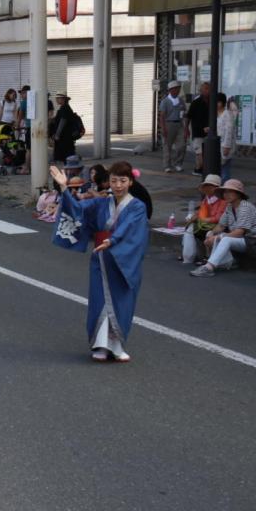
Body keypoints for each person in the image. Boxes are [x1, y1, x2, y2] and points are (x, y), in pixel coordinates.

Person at [49, 161, 149, 362]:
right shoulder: (101, 202)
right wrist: (63, 187)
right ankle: (100, 344)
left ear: (130, 182)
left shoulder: (137, 207)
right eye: (114, 180)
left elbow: (129, 228)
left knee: (122, 302)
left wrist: (112, 240)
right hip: (101, 259)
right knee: (99, 301)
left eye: (122, 180)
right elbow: (78, 209)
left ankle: (117, 344)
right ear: (108, 182)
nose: (118, 185)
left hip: (123, 260)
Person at [191, 179, 256, 276]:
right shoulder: (229, 206)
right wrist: (211, 234)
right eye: (225, 192)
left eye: (230, 191)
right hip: (239, 239)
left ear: (238, 194)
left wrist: (217, 237)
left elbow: (239, 232)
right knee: (213, 234)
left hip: (251, 242)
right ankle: (219, 262)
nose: (226, 194)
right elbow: (221, 225)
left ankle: (209, 268)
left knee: (225, 239)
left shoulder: (245, 207)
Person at [180, 174, 225, 264]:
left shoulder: (222, 201)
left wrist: (203, 219)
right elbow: (201, 212)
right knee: (190, 227)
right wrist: (194, 217)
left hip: (218, 225)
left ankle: (207, 258)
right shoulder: (206, 199)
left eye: (209, 186)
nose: (207, 188)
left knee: (207, 232)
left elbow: (218, 218)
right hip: (206, 224)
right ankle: (188, 255)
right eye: (206, 186)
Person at [158, 81, 187, 173]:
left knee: (181, 145)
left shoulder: (181, 100)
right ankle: (167, 165)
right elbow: (162, 116)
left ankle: (178, 163)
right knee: (167, 146)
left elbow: (184, 113)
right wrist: (163, 128)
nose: (177, 90)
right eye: (175, 89)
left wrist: (186, 127)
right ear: (170, 90)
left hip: (179, 124)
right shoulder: (165, 101)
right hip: (168, 124)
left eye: (178, 88)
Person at [186, 82, 212, 176]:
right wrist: (186, 129)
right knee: (199, 153)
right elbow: (188, 117)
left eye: (209, 89)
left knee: (205, 153)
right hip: (197, 131)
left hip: (209, 132)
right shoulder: (196, 102)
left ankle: (199, 169)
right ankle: (200, 169)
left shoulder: (212, 102)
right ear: (201, 90)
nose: (208, 91)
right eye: (205, 89)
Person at [50, 93, 79, 164]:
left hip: (65, 137)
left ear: (63, 99)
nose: (56, 99)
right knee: (67, 156)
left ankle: (70, 170)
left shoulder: (64, 108)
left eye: (58, 98)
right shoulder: (65, 108)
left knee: (67, 156)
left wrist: (57, 134)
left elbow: (63, 121)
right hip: (66, 137)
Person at [217, 95, 237, 181]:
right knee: (220, 168)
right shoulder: (216, 114)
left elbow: (229, 131)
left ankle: (225, 188)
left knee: (225, 169)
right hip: (218, 145)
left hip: (225, 145)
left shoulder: (228, 114)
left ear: (221, 103)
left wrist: (227, 146)